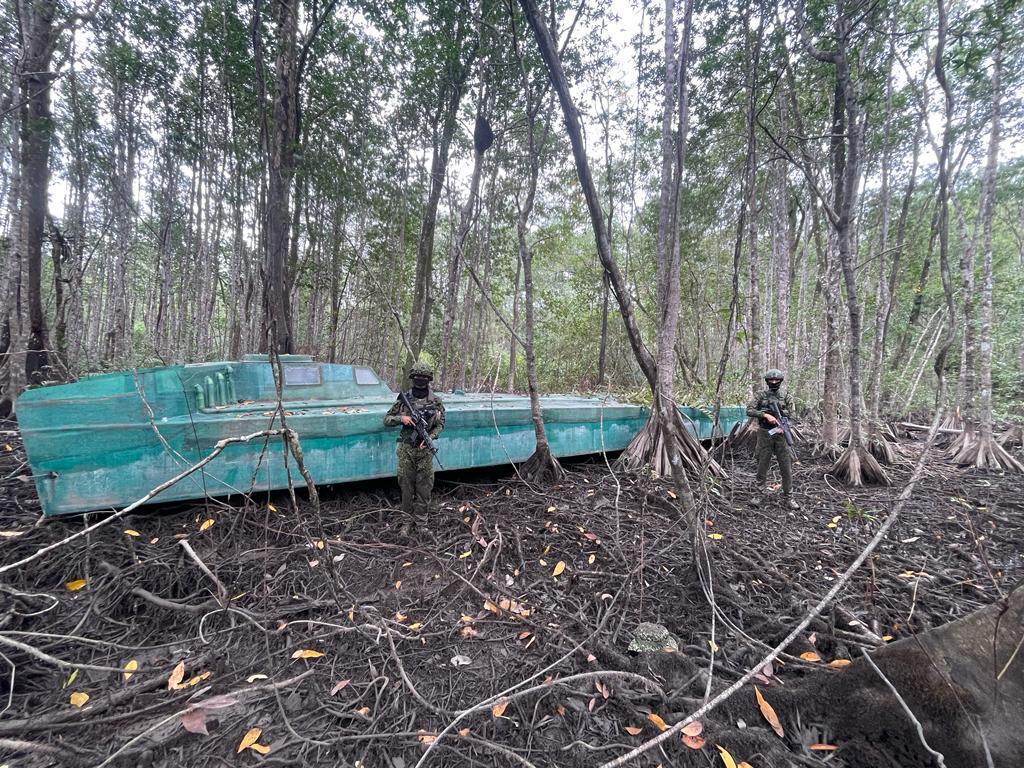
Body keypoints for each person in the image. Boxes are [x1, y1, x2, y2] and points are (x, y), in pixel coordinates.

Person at [383, 361, 446, 533]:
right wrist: (401, 419)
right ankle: (406, 522)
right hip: (406, 449)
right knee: (406, 487)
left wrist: (430, 437)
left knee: (424, 488)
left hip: (424, 451)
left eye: (424, 378)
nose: (420, 380)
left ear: (429, 380)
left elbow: (440, 424)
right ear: (412, 378)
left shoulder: (436, 401)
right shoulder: (404, 400)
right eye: (418, 377)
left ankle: (422, 524)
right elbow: (387, 419)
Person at [746, 368, 800, 510]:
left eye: (777, 380)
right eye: (771, 380)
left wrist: (785, 426)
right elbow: (749, 410)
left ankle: (789, 496)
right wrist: (765, 416)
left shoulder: (786, 396)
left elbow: (794, 416)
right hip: (765, 434)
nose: (774, 382)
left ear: (781, 381)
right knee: (762, 465)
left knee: (786, 466)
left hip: (782, 435)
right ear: (767, 381)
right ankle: (759, 494)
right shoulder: (760, 395)